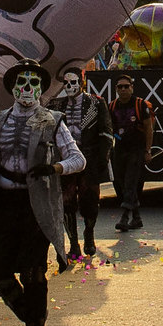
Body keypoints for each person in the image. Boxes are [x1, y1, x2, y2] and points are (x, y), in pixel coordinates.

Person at [0, 58, 84, 326]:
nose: (28, 88)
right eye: (22, 82)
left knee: (33, 273)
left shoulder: (53, 120)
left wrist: (55, 167)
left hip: (35, 206)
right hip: (3, 205)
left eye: (34, 83)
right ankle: (32, 319)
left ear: (42, 88)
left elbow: (78, 158)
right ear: (13, 88)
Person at [53, 66, 112, 264]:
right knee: (67, 202)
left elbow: (105, 132)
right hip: (66, 161)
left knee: (89, 200)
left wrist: (103, 157)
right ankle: (74, 243)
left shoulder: (96, 103)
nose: (69, 87)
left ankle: (89, 234)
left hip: (89, 159)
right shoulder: (58, 105)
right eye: (66, 83)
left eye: (73, 82)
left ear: (81, 82)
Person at [107, 73, 155, 231]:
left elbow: (149, 129)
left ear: (132, 87)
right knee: (120, 183)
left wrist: (148, 150)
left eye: (126, 86)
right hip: (119, 149)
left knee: (130, 182)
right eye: (120, 87)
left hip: (137, 149)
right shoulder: (112, 106)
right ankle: (137, 217)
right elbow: (109, 129)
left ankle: (125, 217)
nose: (123, 89)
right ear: (116, 89)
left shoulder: (140, 105)